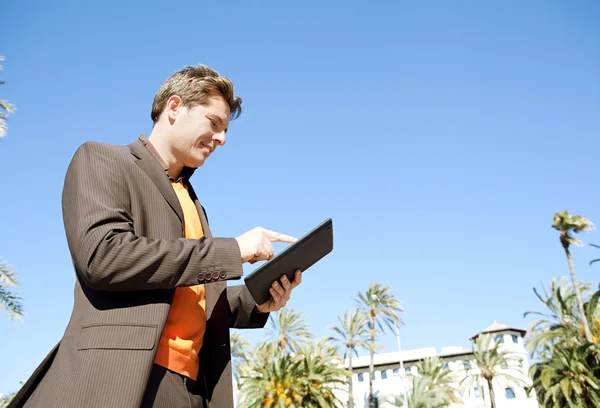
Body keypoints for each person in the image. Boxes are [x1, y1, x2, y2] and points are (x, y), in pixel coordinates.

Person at [8, 64, 302, 408]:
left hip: (193, 390)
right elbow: (103, 256)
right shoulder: (102, 159)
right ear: (174, 108)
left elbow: (192, 299)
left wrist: (256, 301)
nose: (222, 139)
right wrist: (232, 251)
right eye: (214, 123)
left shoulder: (195, 204)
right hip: (125, 383)